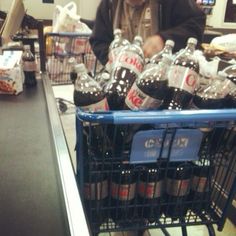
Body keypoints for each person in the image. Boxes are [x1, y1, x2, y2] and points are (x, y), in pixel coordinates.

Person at [89, 0, 206, 65]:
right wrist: (109, 58)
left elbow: (196, 24)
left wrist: (163, 39)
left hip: (165, 76)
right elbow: (98, 40)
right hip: (121, 76)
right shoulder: (108, 5)